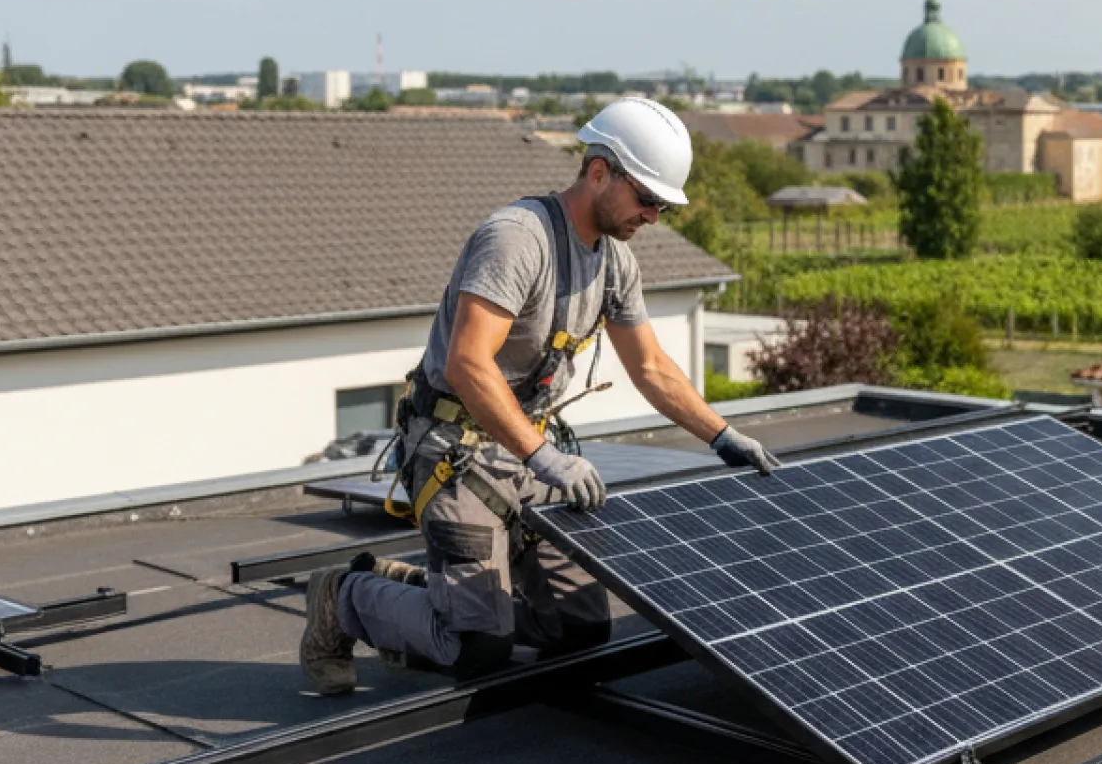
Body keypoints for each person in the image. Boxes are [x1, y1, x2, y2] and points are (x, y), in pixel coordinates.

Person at [300, 97, 782, 693]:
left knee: (580, 629)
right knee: (477, 649)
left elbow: (651, 366)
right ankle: (344, 595)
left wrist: (722, 435)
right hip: (455, 451)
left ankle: (438, 599)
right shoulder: (517, 240)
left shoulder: (615, 263)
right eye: (646, 198)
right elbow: (468, 363)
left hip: (525, 451)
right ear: (599, 171)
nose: (654, 216)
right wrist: (545, 457)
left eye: (663, 205)